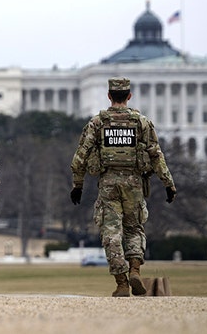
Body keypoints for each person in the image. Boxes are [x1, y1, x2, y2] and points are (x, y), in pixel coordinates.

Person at [69, 77, 176, 297]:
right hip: (134, 183)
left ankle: (122, 283)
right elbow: (156, 155)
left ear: (109, 96)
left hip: (108, 183)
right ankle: (135, 269)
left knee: (111, 233)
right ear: (129, 96)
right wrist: (168, 183)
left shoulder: (98, 123)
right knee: (134, 229)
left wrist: (78, 185)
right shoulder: (141, 122)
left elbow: (80, 157)